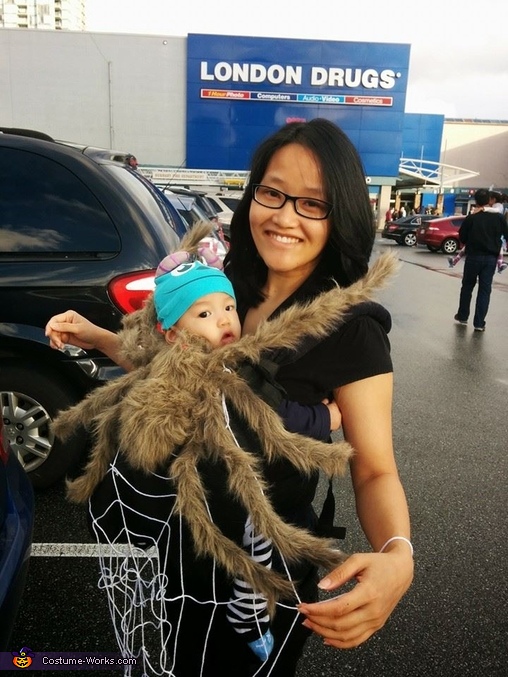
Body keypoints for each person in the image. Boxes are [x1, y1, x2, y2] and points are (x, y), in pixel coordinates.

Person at [46, 118, 414, 676]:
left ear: (341, 213)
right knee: (171, 655)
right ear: (252, 196)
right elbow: (171, 370)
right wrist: (97, 338)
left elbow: (373, 469)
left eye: (313, 203)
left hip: (264, 558)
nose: (285, 216)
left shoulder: (350, 327)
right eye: (272, 192)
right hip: (182, 532)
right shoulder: (222, 285)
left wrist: (398, 556)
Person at [453, 188, 508, 331]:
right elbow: (506, 235)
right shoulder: (499, 218)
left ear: (476, 201)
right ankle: (479, 323)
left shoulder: (471, 218)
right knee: (484, 291)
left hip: (473, 257)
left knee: (467, 287)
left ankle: (463, 316)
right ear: (489, 200)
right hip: (490, 259)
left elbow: (462, 237)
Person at [448, 191, 508, 273]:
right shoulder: (499, 218)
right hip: (490, 255)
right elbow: (506, 233)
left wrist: (483, 209)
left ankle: (455, 259)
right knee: (485, 284)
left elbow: (462, 236)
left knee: (468, 284)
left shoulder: (473, 217)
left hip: (473, 254)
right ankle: (500, 263)